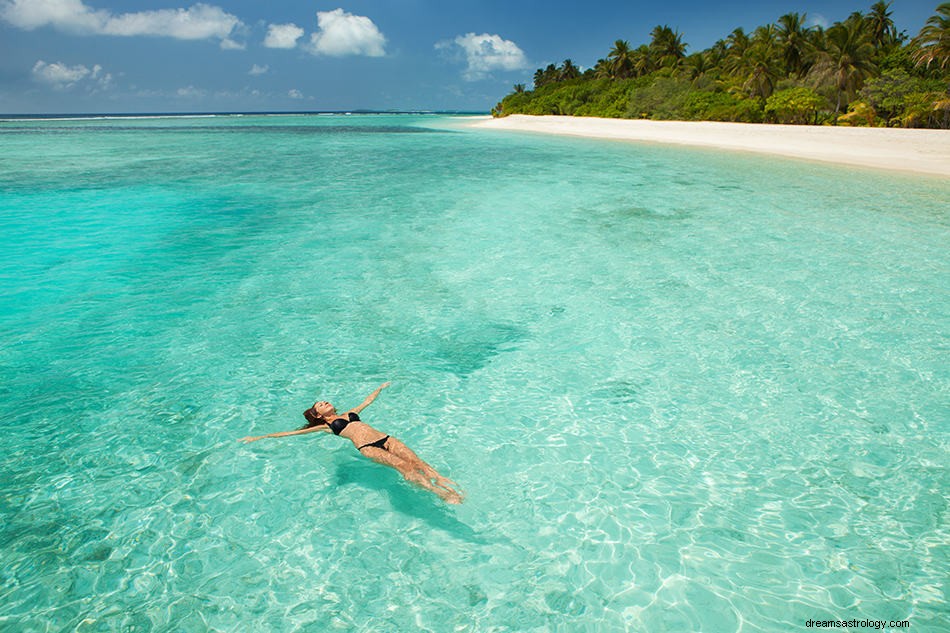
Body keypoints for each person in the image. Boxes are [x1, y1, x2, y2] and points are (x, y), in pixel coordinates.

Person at [241, 382, 463, 504]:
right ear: (318, 415)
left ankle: (442, 481)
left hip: (385, 438)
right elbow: (290, 433)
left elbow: (367, 401)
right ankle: (438, 493)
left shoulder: (351, 412)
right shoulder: (326, 427)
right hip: (368, 448)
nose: (325, 402)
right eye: (321, 404)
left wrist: (380, 388)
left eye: (325, 401)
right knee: (403, 466)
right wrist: (259, 437)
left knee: (416, 460)